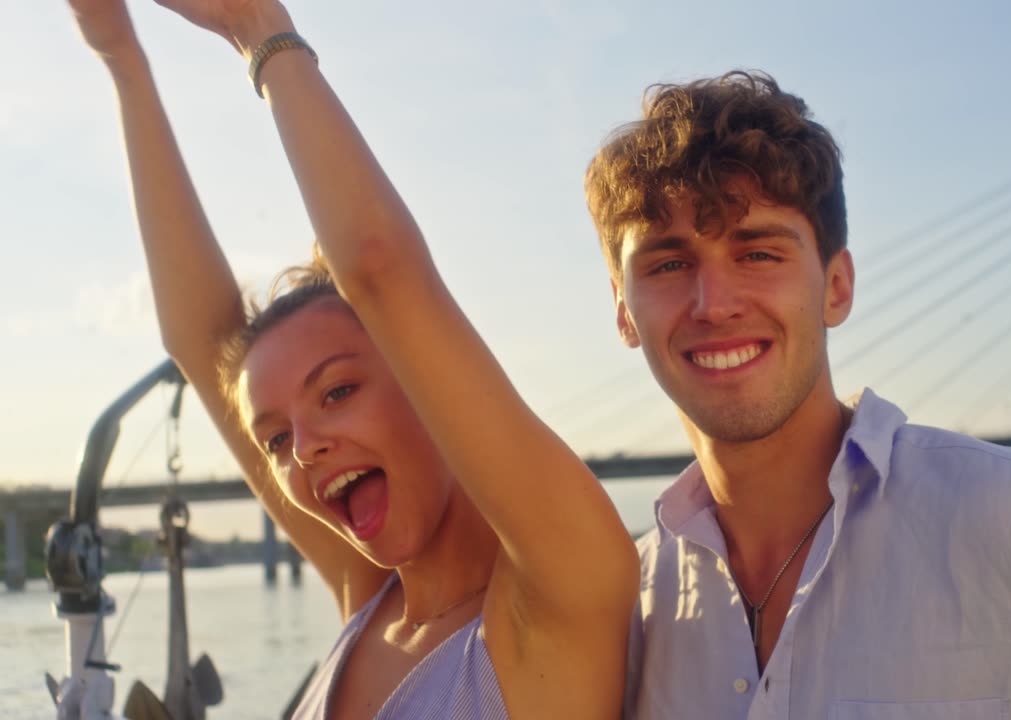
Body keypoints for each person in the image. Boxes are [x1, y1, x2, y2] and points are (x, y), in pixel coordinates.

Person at [585, 71, 1011, 719]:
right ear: (622, 311)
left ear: (836, 287)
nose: (714, 303)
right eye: (670, 263)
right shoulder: (621, 613)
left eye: (758, 252)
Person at [69, 1, 639, 718]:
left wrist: (255, 26)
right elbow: (199, 340)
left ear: (427, 380)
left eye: (336, 392)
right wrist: (119, 56)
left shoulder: (561, 598)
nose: (304, 449)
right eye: (275, 437)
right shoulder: (370, 599)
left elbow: (381, 268)